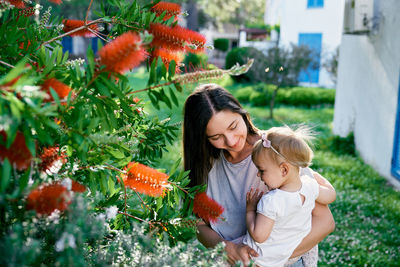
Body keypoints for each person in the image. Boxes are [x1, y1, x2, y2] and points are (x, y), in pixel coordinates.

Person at [183, 83, 335, 266]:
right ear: (202, 138)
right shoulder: (204, 166)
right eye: (216, 137)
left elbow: (325, 222)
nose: (230, 141)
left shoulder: (274, 150)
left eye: (233, 126)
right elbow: (198, 224)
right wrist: (226, 248)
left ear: (241, 114)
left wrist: (264, 260)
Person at [243, 126, 336, 267]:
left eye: (262, 170)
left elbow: (259, 236)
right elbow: (331, 195)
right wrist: (314, 176)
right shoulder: (309, 186)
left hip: (259, 261)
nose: (258, 175)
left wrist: (250, 209)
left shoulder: (271, 201)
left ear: (284, 169)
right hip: (292, 260)